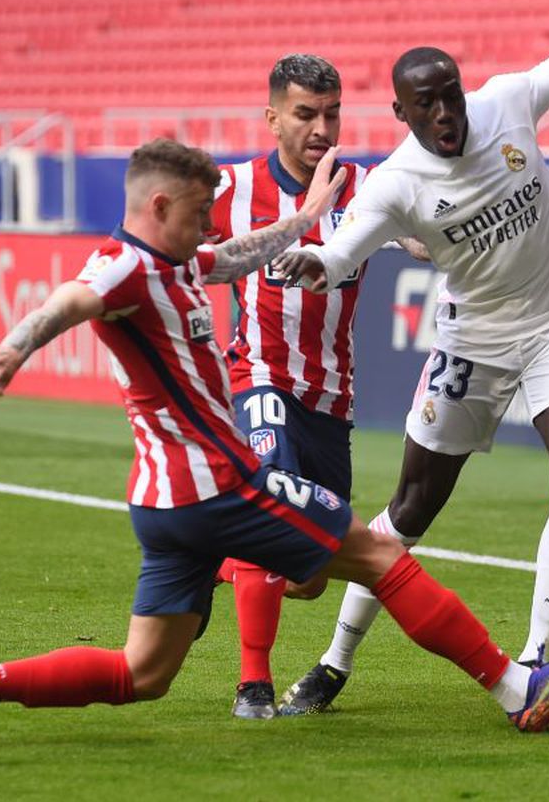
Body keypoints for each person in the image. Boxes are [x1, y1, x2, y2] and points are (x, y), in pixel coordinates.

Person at [0, 137, 549, 745]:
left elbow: (232, 256)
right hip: (221, 484)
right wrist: (17, 344)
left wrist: (308, 218)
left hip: (165, 505)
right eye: (198, 212)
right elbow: (73, 297)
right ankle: (519, 690)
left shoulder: (175, 260)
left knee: (143, 672)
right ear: (158, 206)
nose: (208, 225)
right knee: (379, 555)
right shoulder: (126, 266)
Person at [273, 44, 549, 714]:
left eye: (450, 95)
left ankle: (536, 663)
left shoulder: (504, 103)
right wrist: (318, 264)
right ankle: (335, 661)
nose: (445, 113)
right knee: (412, 507)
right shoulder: (396, 182)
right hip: (473, 340)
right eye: (425, 104)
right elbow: (343, 250)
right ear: (401, 112)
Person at [209, 53, 428, 720]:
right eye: (305, 114)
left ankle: (209, 552)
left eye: (332, 113)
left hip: (331, 398)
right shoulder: (231, 188)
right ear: (272, 118)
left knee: (306, 575)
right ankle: (253, 686)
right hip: (260, 378)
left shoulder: (366, 188)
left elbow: (423, 242)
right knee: (271, 512)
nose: (322, 129)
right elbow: (167, 243)